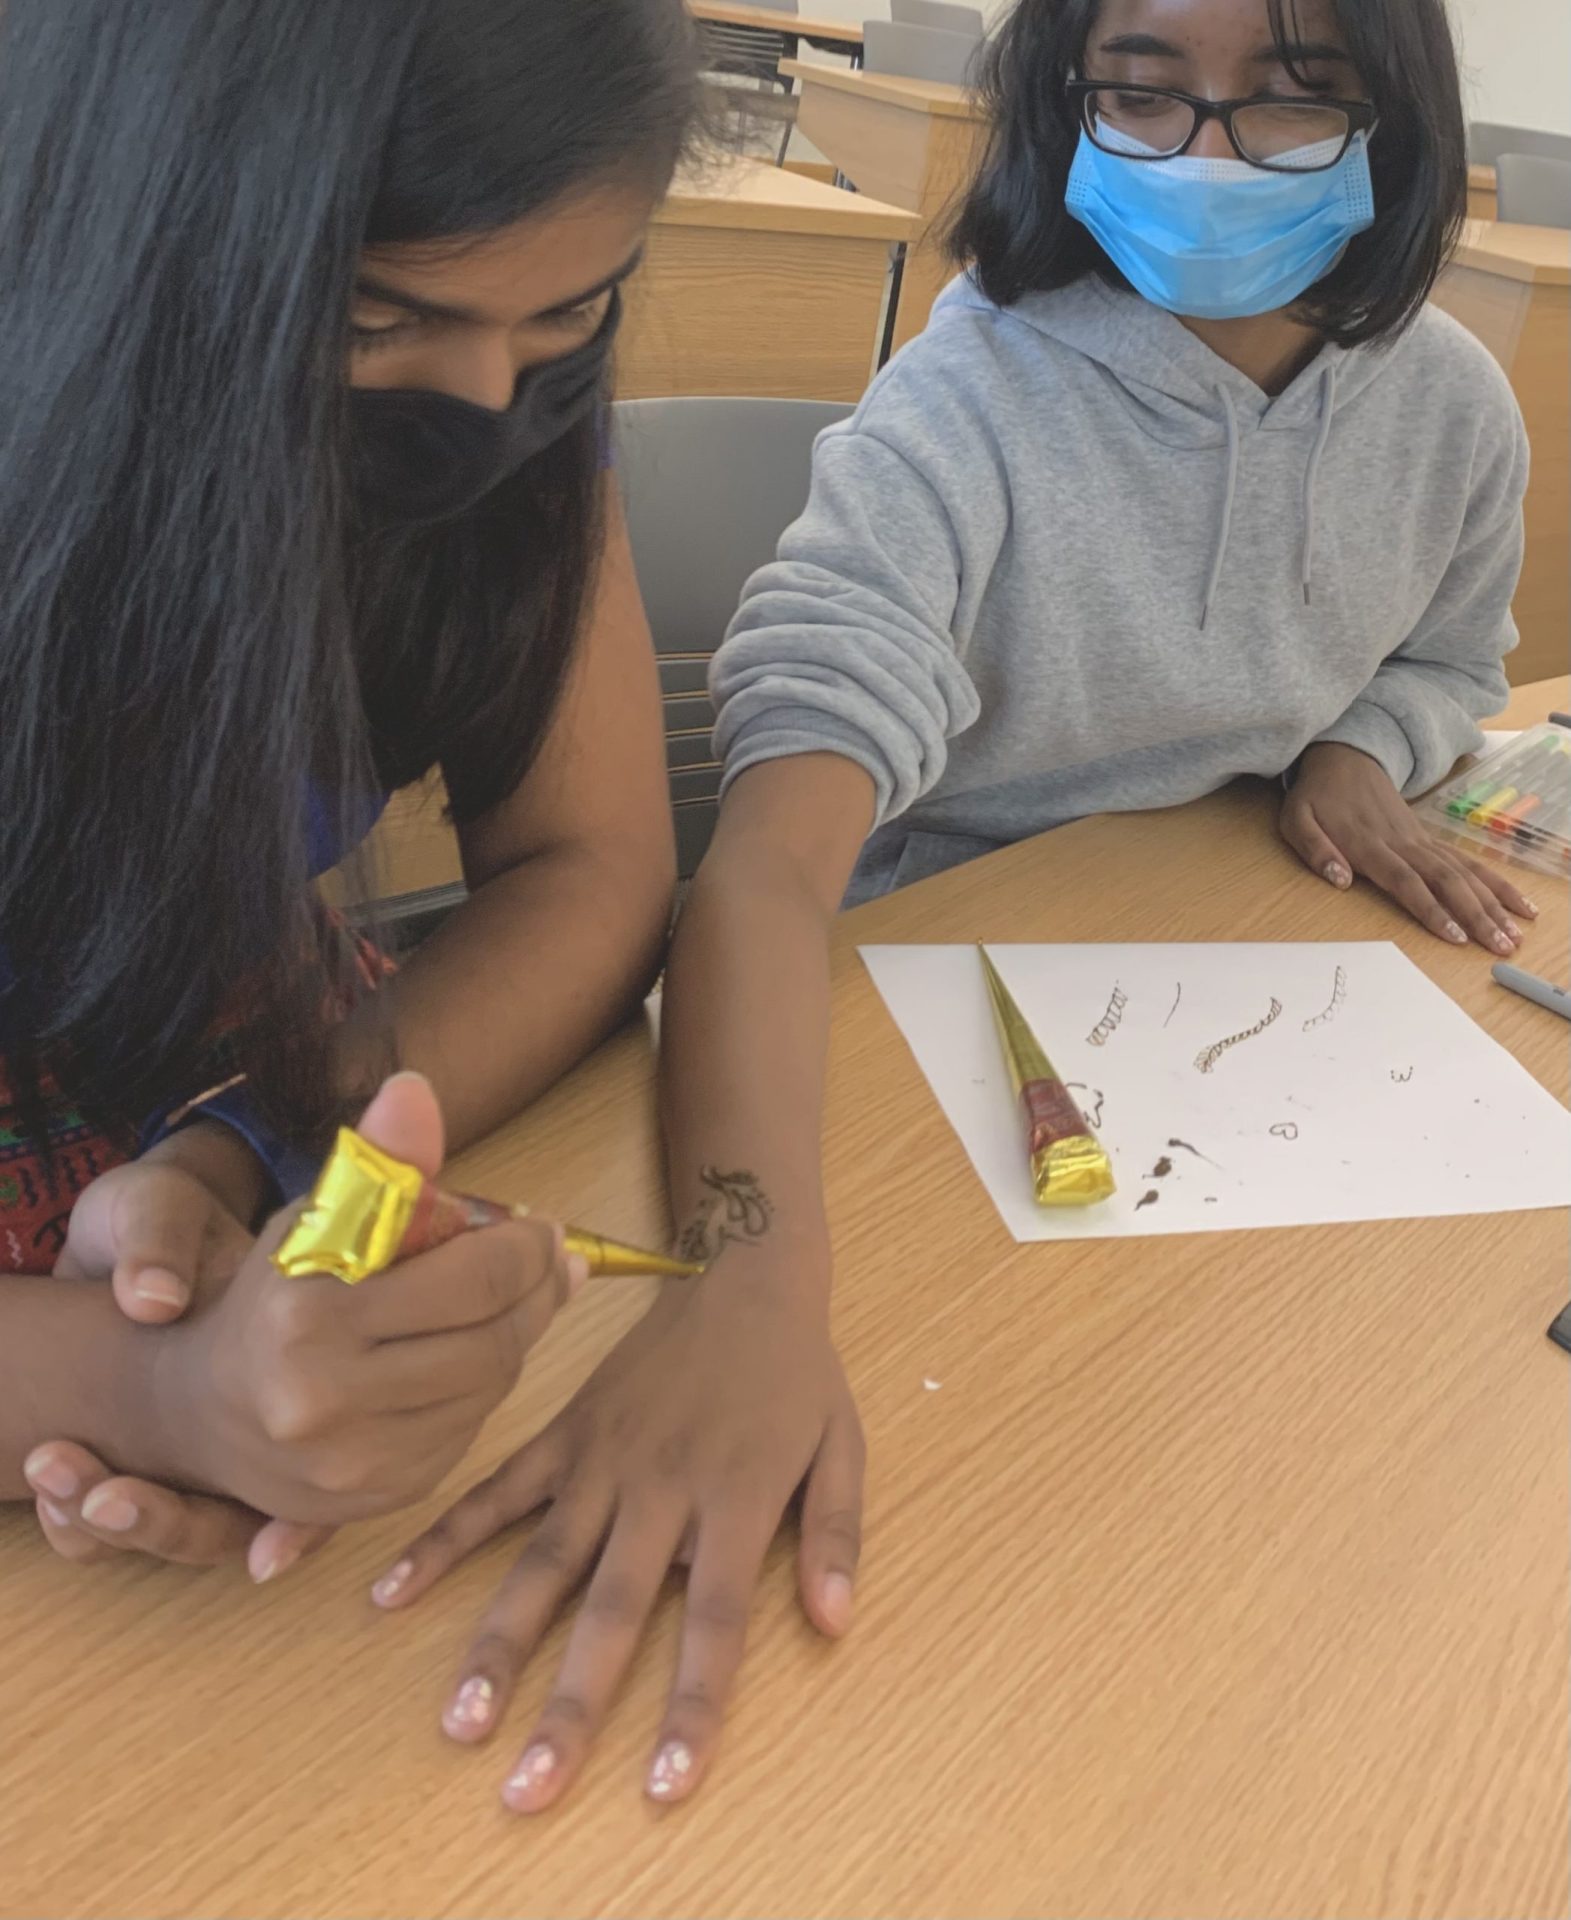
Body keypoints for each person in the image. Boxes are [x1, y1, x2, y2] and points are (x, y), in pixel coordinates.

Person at [334, 0, 1533, 1808]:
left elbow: (1457, 655)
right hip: (922, 1032)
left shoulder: (1456, 411)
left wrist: (1361, 747)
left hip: (1245, 1013)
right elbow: (760, 870)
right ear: (1066, 101)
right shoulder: (971, 401)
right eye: (1143, 93)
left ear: (1401, 129)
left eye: (1293, 104)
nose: (1208, 156)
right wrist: (752, 1271)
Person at [8, 0, 866, 1818]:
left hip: (243, 1059)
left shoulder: (506, 414)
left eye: (568, 318)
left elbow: (596, 862)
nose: (491, 407)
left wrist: (258, 1142)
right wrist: (150, 1391)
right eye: (381, 318)